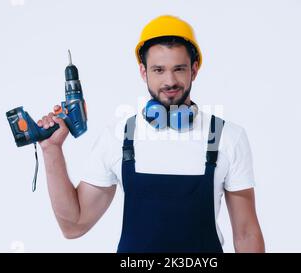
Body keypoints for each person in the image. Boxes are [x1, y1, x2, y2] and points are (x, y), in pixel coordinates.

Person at [37, 15, 265, 253]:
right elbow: (74, 225)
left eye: (179, 69)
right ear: (143, 72)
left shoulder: (227, 137)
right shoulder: (119, 136)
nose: (170, 80)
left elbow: (246, 233)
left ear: (194, 70)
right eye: (159, 70)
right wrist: (51, 149)